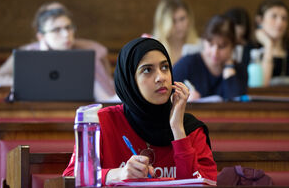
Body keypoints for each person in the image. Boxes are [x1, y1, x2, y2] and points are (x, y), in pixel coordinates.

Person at [62, 38, 217, 185]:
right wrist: (117, 174)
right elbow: (71, 177)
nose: (160, 77)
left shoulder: (190, 129)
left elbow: (204, 183)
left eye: (165, 67)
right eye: (147, 70)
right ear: (130, 80)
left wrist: (177, 129)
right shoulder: (102, 122)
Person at [0, 2, 115, 100]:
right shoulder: (27, 53)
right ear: (41, 35)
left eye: (68, 27)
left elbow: (106, 88)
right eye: (56, 30)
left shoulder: (93, 50)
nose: (66, 34)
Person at [173, 15, 248, 101]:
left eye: (222, 46)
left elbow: (238, 107)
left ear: (232, 46)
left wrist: (229, 69)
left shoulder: (240, 70)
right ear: (204, 41)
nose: (215, 52)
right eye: (210, 44)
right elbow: (168, 94)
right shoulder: (187, 64)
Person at [152, 0, 201, 64]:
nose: (179, 25)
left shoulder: (199, 46)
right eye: (173, 21)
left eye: (182, 19)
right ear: (163, 24)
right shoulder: (154, 48)